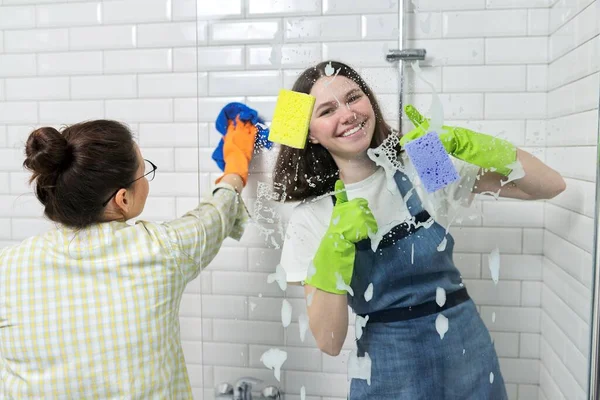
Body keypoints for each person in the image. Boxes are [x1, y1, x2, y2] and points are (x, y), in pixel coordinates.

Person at [273, 60, 566, 399]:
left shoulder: (422, 162)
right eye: (326, 110)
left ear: (369, 101)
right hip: (390, 372)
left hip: (467, 355)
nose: (348, 113)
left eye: (353, 97)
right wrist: (336, 244)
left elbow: (549, 186)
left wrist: (474, 145)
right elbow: (330, 341)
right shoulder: (312, 218)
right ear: (311, 133)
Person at [0, 117, 256, 398]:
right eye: (144, 172)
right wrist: (236, 165)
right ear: (122, 199)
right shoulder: (161, 250)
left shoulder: (8, 268)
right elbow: (213, 216)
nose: (145, 180)